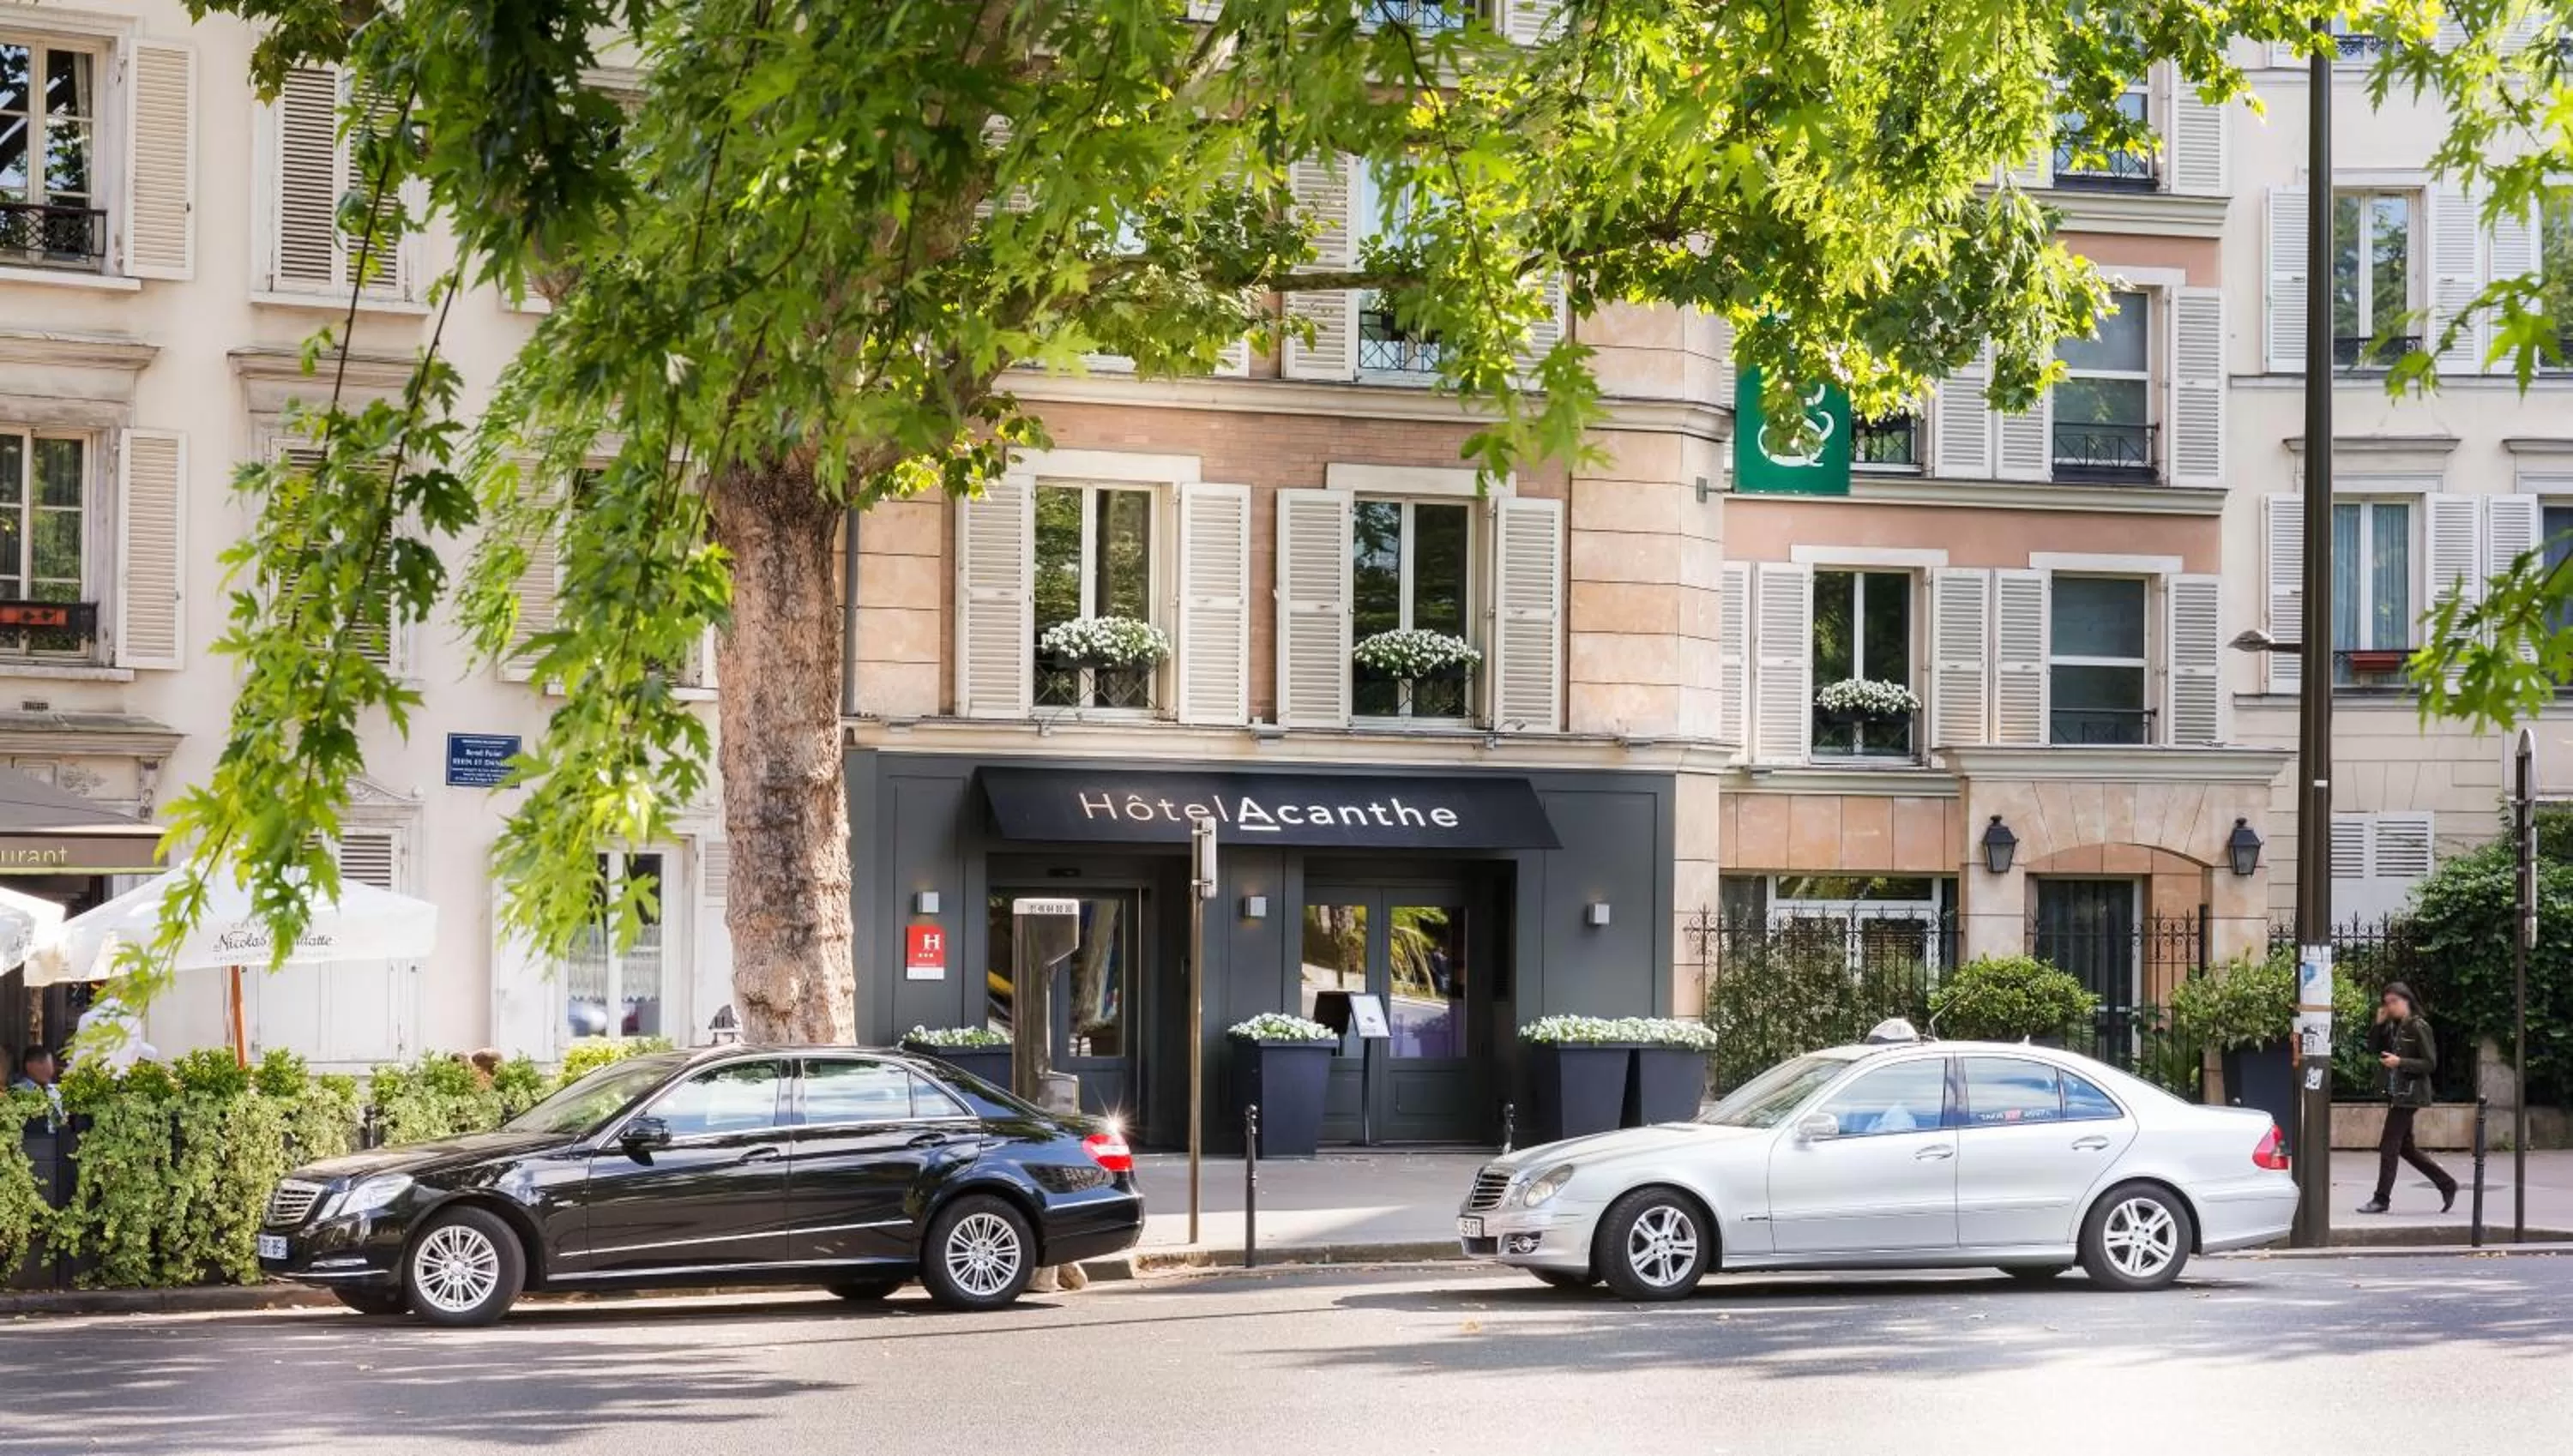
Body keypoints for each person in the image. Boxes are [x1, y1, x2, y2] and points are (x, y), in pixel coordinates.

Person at [2358, 981, 2459, 1216]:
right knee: (2405, 1148)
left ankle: (2381, 1199)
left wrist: (2400, 1062)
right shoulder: (2394, 1027)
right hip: (2398, 1093)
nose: (2390, 1006)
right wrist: (2378, 1024)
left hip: (2411, 1094)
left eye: (2394, 1001)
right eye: (2387, 1003)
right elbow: (2373, 1048)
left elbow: (2430, 1063)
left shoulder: (2419, 1026)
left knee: (2389, 1145)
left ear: (2407, 1000)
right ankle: (2446, 1184)